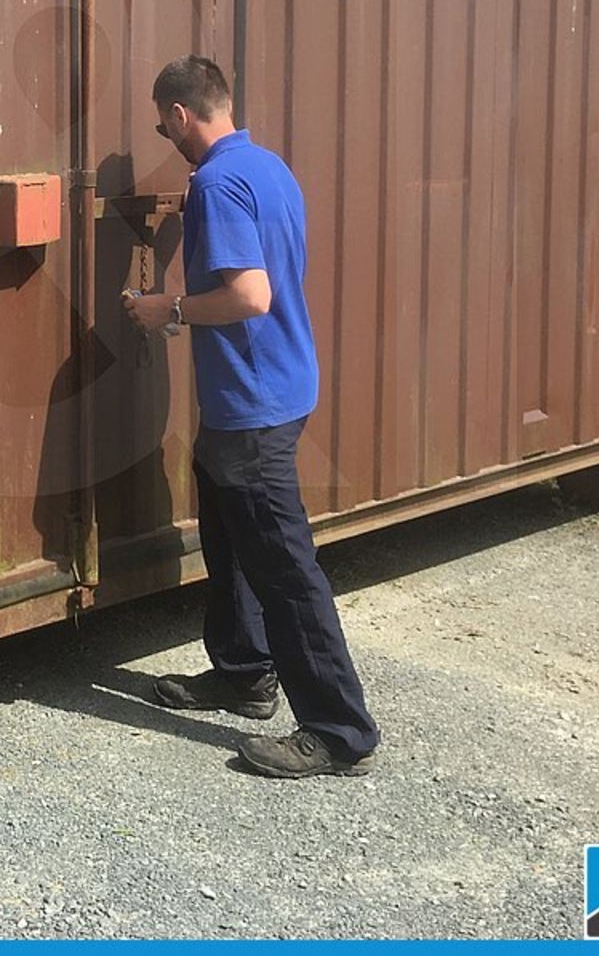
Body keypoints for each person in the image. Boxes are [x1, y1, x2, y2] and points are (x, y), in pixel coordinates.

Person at [122, 55, 381, 778]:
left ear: (178, 116)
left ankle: (339, 729)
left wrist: (163, 310)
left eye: (159, 123)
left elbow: (249, 296)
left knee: (285, 568)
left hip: (253, 403)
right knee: (232, 537)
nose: (162, 133)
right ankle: (244, 673)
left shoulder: (216, 184)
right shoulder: (269, 167)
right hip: (270, 390)